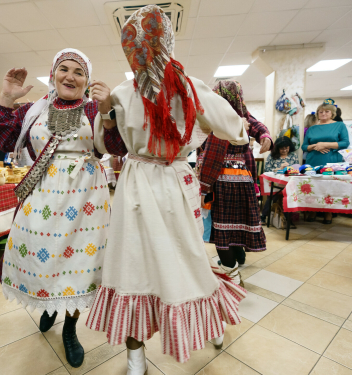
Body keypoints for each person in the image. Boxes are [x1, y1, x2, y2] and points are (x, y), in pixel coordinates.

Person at [86, 6, 247, 371]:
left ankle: (192, 331)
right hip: (158, 181)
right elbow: (233, 127)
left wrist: (109, 112)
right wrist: (107, 110)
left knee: (173, 259)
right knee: (137, 263)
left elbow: (102, 144)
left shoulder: (182, 88)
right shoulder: (143, 92)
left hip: (151, 182)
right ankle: (137, 355)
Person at [0, 49, 111, 368]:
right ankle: (50, 305)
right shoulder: (32, 110)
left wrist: (109, 110)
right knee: (44, 257)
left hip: (85, 201)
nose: (70, 76)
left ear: (87, 79)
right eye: (63, 69)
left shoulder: (95, 108)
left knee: (81, 266)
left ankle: (69, 328)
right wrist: (6, 98)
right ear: (53, 74)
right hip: (40, 198)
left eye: (78, 72)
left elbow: (116, 146)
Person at [198, 80, 271, 274]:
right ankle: (236, 259)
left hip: (219, 177)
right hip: (242, 176)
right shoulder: (238, 117)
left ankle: (231, 266)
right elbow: (257, 127)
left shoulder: (217, 117)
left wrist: (266, 137)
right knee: (239, 218)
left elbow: (259, 127)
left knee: (224, 221)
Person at [303, 99, 349, 223]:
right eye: (320, 112)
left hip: (332, 161)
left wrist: (325, 144)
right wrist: (315, 146)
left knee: (329, 187)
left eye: (326, 111)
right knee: (313, 186)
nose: (323, 114)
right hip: (313, 160)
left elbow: (345, 143)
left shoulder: (339, 125)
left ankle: (328, 214)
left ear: (332, 113)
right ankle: (312, 212)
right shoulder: (312, 129)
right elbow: (304, 146)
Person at [261, 136, 299, 222]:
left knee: (290, 195)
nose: (285, 150)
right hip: (275, 182)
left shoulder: (293, 156)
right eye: (282, 149)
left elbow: (297, 169)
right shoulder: (272, 156)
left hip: (289, 182)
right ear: (277, 148)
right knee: (273, 195)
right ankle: (263, 215)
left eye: (286, 148)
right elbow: (267, 170)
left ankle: (287, 217)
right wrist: (279, 169)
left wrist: (290, 169)